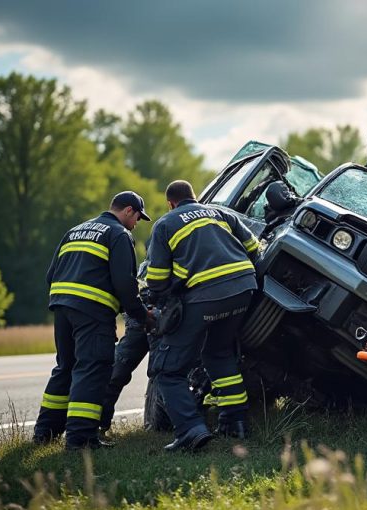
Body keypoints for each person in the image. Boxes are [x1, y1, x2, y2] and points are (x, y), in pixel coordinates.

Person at [146, 180, 261, 452]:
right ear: (195, 197)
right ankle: (235, 423)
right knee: (218, 354)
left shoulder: (165, 224)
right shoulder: (221, 213)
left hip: (205, 297)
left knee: (167, 370)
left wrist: (165, 296)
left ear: (170, 203)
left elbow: (157, 280)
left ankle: (190, 431)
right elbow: (255, 248)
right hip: (244, 289)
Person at [33, 191, 151, 450]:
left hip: (63, 307)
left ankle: (45, 433)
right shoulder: (118, 234)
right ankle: (81, 438)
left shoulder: (76, 230)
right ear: (129, 210)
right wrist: (142, 315)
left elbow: (51, 274)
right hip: (93, 313)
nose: (136, 224)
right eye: (138, 219)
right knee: (92, 369)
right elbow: (124, 282)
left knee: (65, 367)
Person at [100, 260, 171, 435]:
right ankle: (161, 425)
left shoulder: (149, 261)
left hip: (139, 312)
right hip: (157, 314)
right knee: (162, 370)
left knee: (118, 369)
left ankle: (94, 424)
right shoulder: (180, 251)